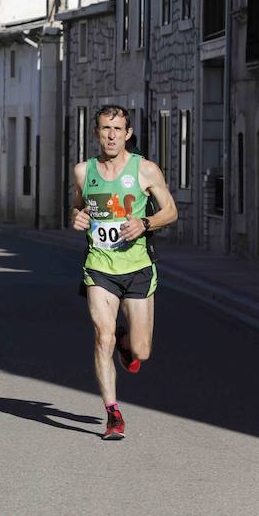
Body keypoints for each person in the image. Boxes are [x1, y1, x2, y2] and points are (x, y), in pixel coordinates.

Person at [70, 104, 177, 440]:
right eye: (105, 129)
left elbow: (171, 211)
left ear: (128, 133)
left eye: (117, 129)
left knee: (142, 351)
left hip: (138, 267)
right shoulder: (82, 171)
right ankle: (113, 414)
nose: (111, 135)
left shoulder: (144, 170)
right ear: (96, 133)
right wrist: (77, 217)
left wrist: (145, 223)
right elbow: (77, 206)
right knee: (102, 336)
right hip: (99, 266)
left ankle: (125, 343)